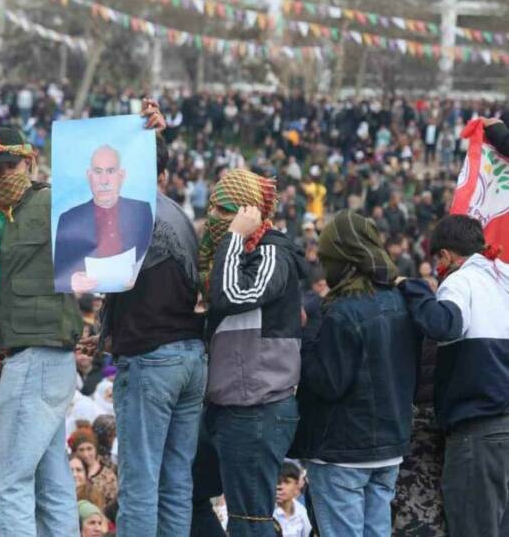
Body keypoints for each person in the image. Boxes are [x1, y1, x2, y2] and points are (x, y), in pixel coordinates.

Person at [0, 54, 167, 537]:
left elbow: (120, 187)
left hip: (40, 356)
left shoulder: (56, 202)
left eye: (11, 162)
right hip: (23, 359)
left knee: (3, 485)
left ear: (30, 161)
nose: (2, 172)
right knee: (51, 485)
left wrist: (148, 139)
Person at [291, 210, 462, 536]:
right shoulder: (402, 302)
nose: (326, 270)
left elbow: (329, 382)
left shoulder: (342, 311)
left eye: (328, 260)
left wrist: (305, 341)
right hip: (389, 446)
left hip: (342, 450)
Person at [86, 134, 206, 536]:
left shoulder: (129, 215)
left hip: (151, 360)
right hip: (190, 358)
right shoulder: (181, 217)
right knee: (176, 480)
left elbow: (111, 281)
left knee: (139, 482)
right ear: (165, 174)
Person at [198, 169, 305, 537]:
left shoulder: (273, 251)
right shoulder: (233, 254)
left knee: (249, 518)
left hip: (257, 406)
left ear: (251, 213)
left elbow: (234, 294)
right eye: (212, 207)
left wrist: (232, 236)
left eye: (226, 210)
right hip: (225, 404)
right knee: (188, 492)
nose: (215, 217)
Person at [396, 214, 509, 537]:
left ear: (445, 256)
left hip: (478, 431)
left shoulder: (461, 280)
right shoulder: (503, 278)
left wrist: (412, 288)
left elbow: (445, 324)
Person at [54, 144, 154, 294]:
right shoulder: (68, 219)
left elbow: (151, 259)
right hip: (85, 302)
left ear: (122, 175)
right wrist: (70, 280)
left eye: (111, 171)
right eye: (98, 171)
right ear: (89, 175)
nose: (104, 180)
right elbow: (58, 273)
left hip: (132, 298)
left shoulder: (142, 210)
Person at [272, 462, 311, 537]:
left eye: (287, 482)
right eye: (278, 481)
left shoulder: (303, 513)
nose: (280, 486)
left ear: (297, 485)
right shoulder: (267, 513)